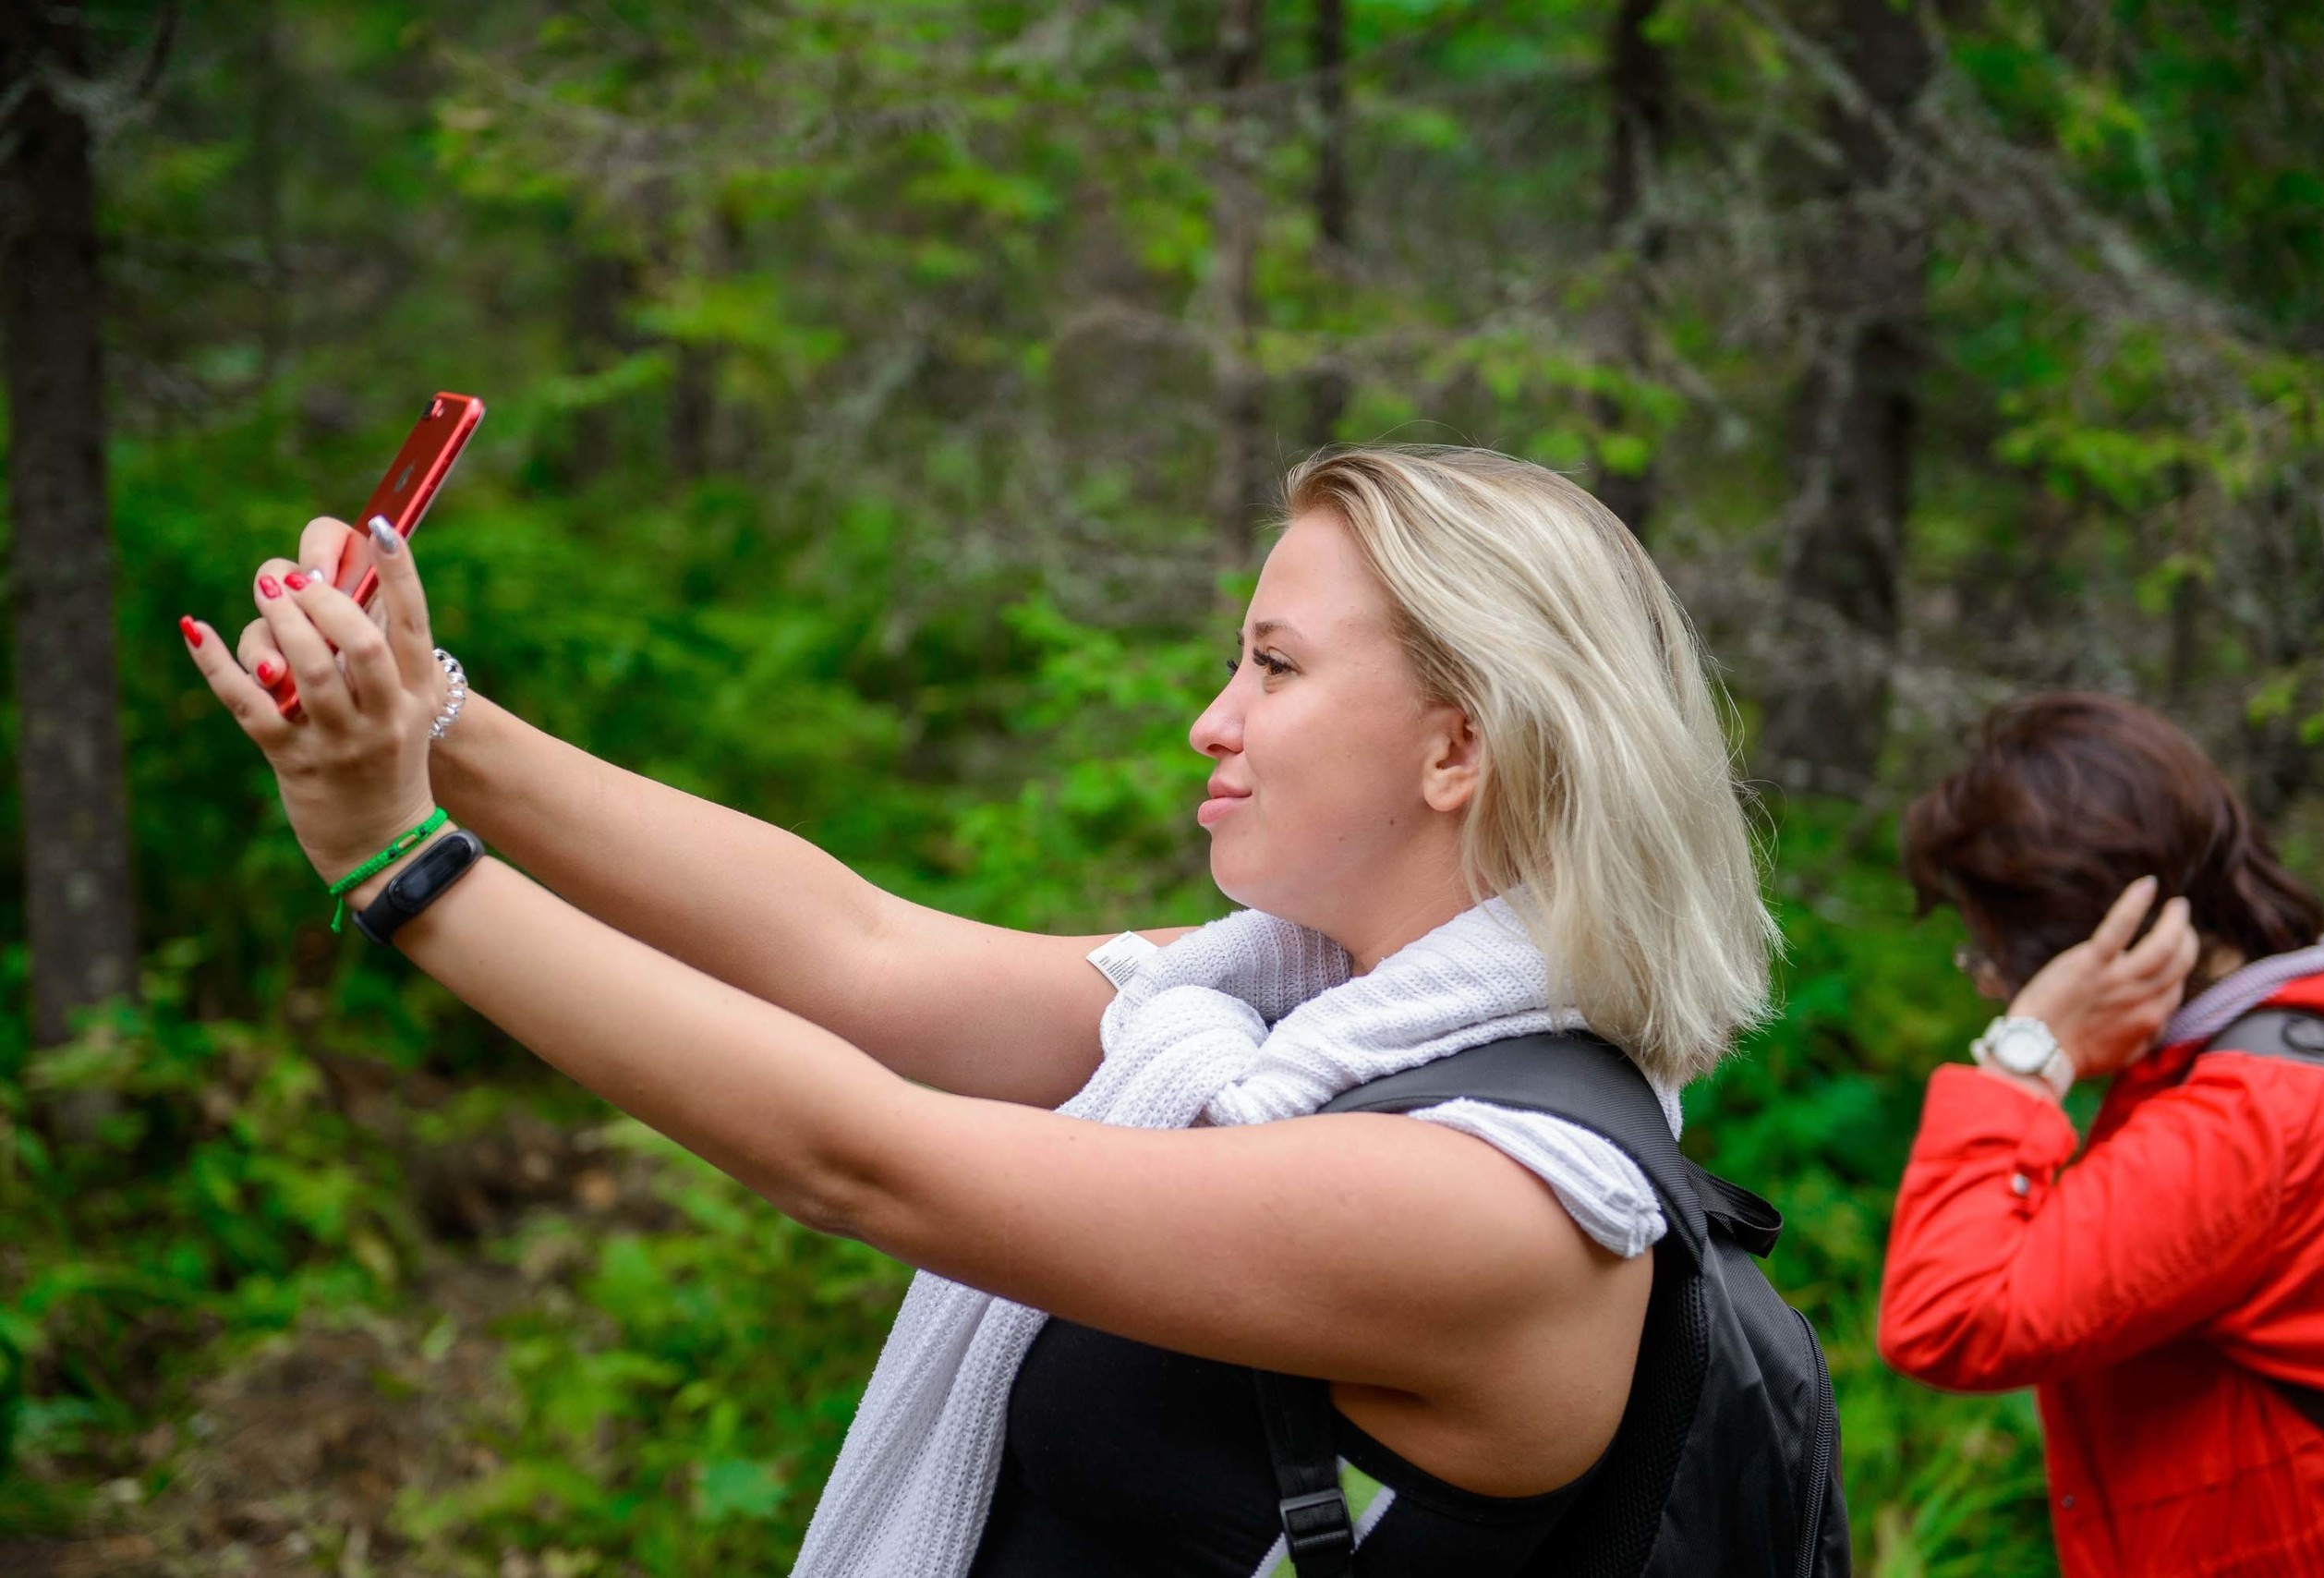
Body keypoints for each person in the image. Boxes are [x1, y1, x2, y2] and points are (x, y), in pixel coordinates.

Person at [181, 445, 1777, 1575]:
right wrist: (433, 715)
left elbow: (863, 1160)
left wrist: (403, 865)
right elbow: (859, 955)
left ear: (1457, 747)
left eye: (1275, 667)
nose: (1212, 719)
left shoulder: (1493, 1201)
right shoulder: (1281, 1017)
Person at [1879, 693, 2324, 1578]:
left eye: (1990, 951)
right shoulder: (2277, 1047)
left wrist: (2027, 1058)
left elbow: (1946, 1314)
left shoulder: (2257, 1113)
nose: (1988, 986)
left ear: (2095, 939)